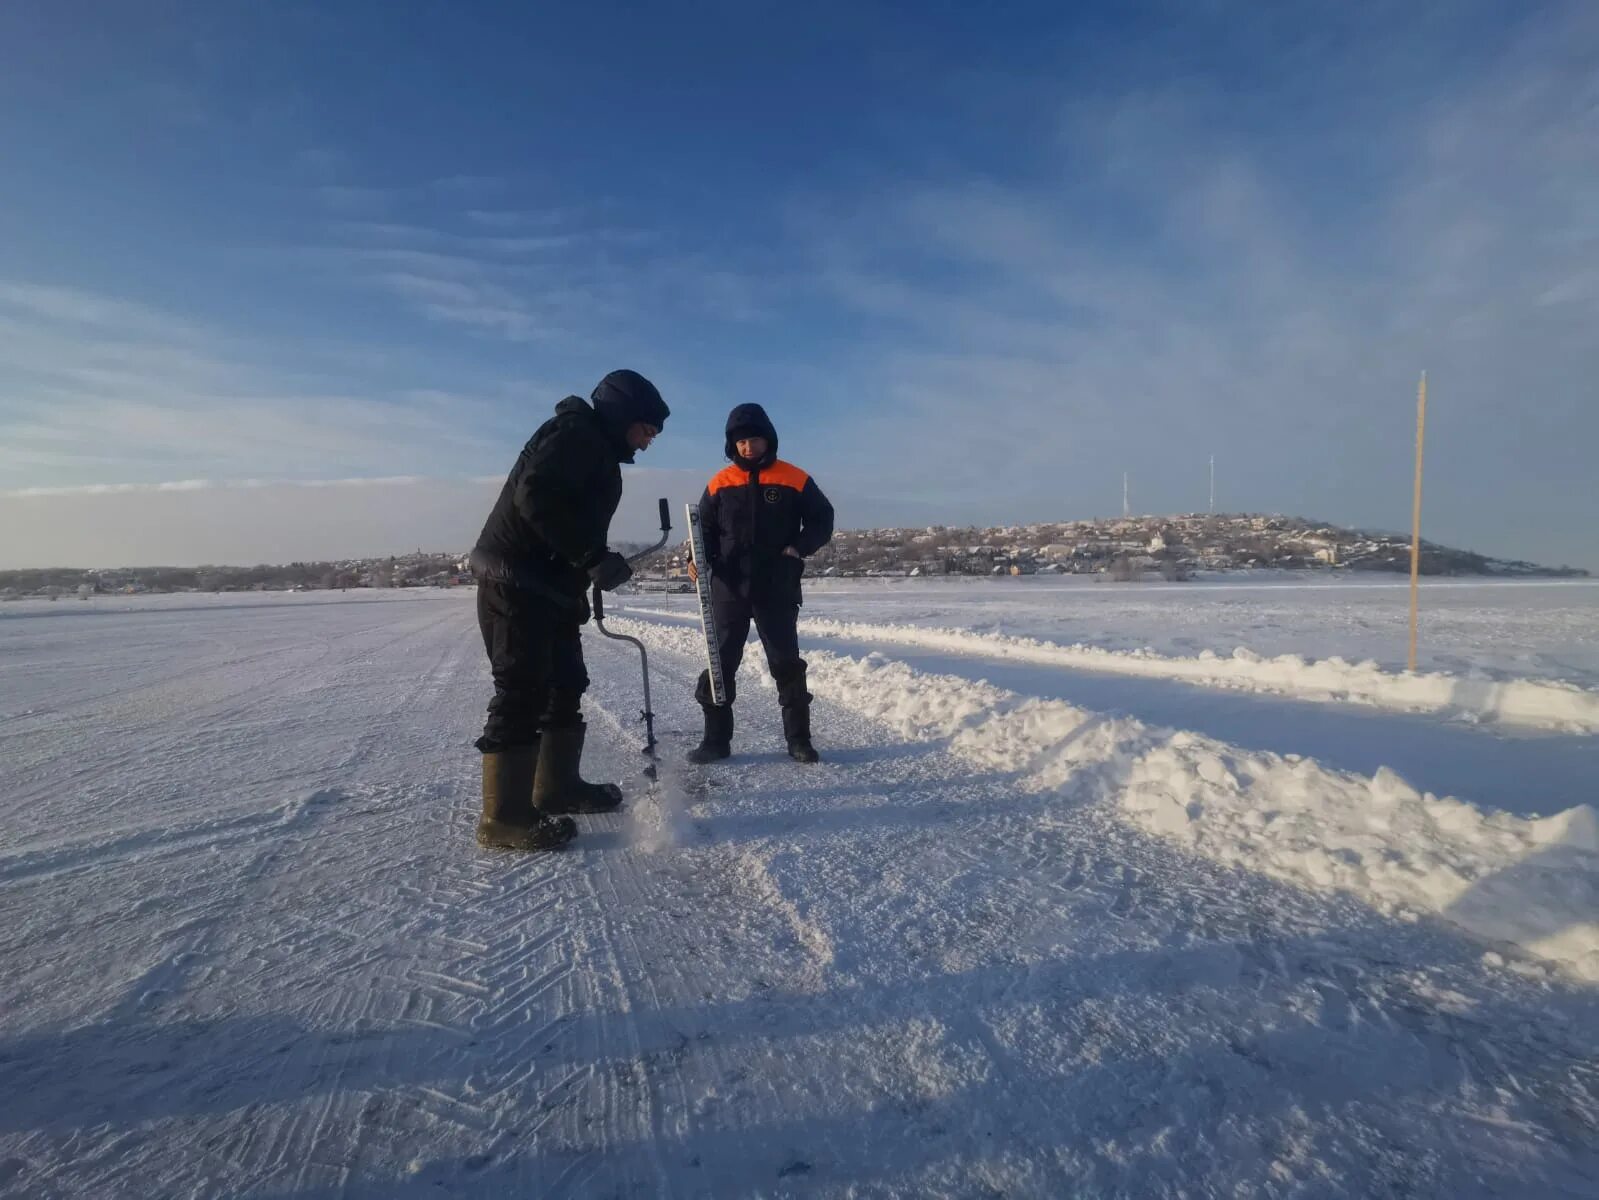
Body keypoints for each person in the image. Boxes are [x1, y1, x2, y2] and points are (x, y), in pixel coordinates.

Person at [468, 370, 669, 851]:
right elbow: (535, 497)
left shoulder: (595, 447)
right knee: (521, 690)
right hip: (515, 582)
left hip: (550, 588)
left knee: (565, 682)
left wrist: (587, 569)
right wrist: (592, 558)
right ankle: (504, 818)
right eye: (646, 431)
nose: (647, 443)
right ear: (624, 417)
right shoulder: (576, 434)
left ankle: (555, 786)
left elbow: (571, 518)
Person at [687, 403, 834, 764]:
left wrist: (798, 548)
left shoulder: (794, 478)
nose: (748, 447)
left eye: (754, 440)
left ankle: (799, 739)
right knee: (720, 663)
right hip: (727, 587)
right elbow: (702, 529)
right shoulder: (720, 483)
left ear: (768, 440)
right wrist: (696, 558)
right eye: (740, 442)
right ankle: (716, 741)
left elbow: (822, 518)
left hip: (776, 586)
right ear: (732, 445)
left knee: (786, 663)